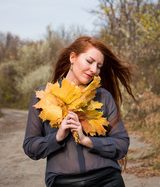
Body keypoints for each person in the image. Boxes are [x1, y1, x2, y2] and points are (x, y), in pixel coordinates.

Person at [23, 35, 135, 187]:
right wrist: (57, 137)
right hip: (63, 181)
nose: (94, 70)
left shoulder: (103, 97)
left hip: (107, 178)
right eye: (89, 61)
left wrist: (88, 141)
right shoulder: (44, 97)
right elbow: (30, 147)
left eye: (99, 66)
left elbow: (121, 144)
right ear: (72, 57)